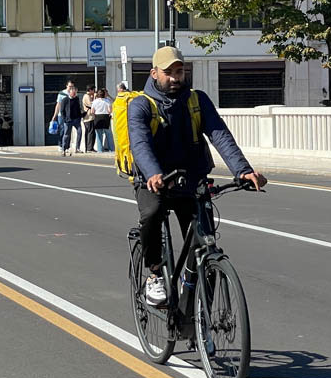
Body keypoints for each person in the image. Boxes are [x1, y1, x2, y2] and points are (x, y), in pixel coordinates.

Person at [128, 47, 266, 305]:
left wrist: (243, 171)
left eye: (179, 71)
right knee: (152, 213)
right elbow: (140, 143)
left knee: (204, 244)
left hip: (191, 181)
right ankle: (154, 273)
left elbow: (220, 135)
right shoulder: (141, 105)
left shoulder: (197, 100)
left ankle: (197, 306)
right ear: (154, 73)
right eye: (168, 72)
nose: (175, 77)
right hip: (154, 181)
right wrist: (153, 173)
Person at [54, 83, 84, 156]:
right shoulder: (65, 100)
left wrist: (80, 116)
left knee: (80, 132)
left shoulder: (77, 99)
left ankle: (77, 148)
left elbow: (79, 108)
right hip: (68, 120)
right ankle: (64, 149)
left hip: (76, 119)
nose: (74, 94)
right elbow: (62, 110)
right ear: (70, 93)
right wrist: (64, 119)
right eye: (73, 93)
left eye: (75, 93)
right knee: (66, 134)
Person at [91, 87, 113, 152]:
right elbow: (109, 111)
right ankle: (111, 149)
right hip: (106, 117)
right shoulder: (107, 101)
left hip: (97, 117)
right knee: (109, 134)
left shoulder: (95, 102)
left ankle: (100, 150)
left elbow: (92, 111)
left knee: (99, 135)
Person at [80, 86, 96, 152]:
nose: (94, 91)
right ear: (90, 90)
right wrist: (94, 98)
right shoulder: (86, 96)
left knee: (91, 132)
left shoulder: (89, 96)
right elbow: (91, 105)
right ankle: (89, 148)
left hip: (90, 117)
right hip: (88, 117)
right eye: (93, 90)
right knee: (90, 132)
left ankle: (90, 147)